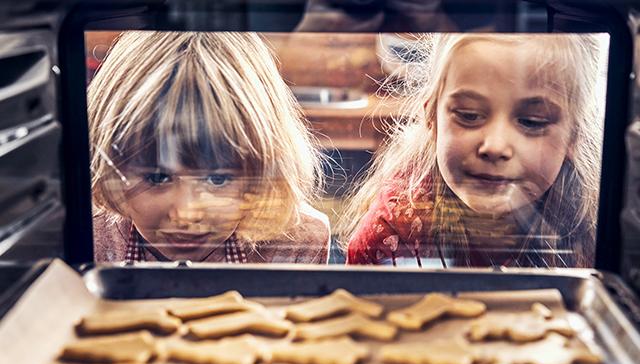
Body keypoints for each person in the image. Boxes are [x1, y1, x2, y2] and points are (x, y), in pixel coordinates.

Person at [343, 33, 606, 268]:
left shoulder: (598, 228)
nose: (494, 146)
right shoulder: (391, 232)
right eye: (469, 116)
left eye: (531, 122)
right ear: (432, 119)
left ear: (574, 136)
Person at [88, 31, 330, 264]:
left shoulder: (300, 241)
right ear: (111, 169)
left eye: (217, 179)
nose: (187, 214)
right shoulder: (88, 234)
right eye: (158, 177)